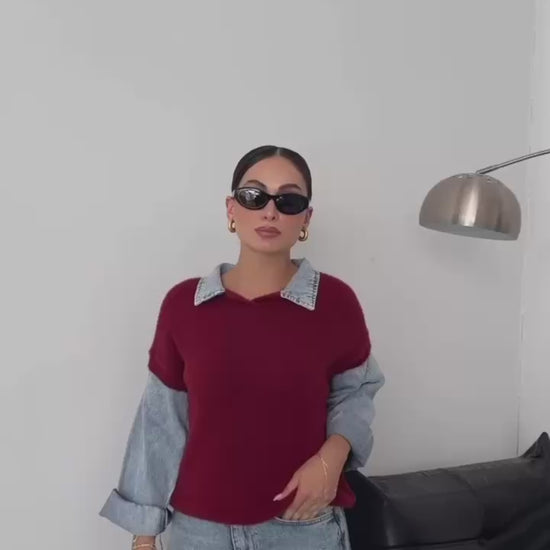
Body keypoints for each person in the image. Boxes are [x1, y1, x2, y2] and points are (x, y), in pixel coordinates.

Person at [99, 145, 385, 550]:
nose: (270, 211)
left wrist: (332, 457)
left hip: (302, 526)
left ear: (305, 218)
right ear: (232, 208)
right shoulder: (185, 306)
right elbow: (160, 421)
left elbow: (356, 392)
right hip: (198, 533)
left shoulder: (335, 303)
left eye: (288, 201)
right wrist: (144, 536)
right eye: (254, 196)